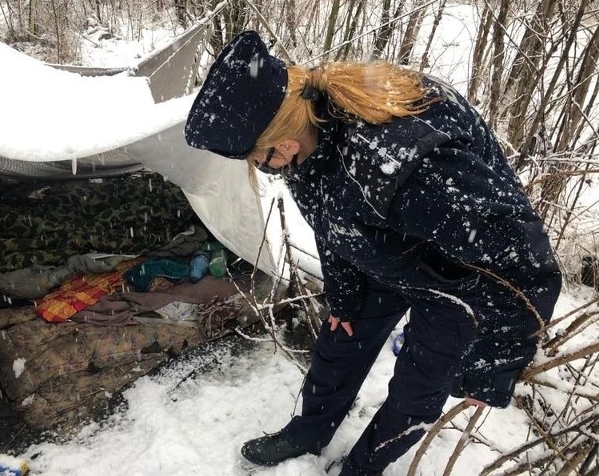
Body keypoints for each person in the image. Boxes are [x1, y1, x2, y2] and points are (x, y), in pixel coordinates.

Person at [184, 30, 561, 476]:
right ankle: (307, 433)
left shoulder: (400, 162)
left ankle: (362, 468)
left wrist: (494, 365)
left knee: (415, 392)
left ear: (282, 144)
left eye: (255, 157)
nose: (258, 166)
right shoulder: (309, 132)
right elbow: (333, 219)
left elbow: (524, 259)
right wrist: (342, 295)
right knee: (337, 346)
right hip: (385, 252)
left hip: (459, 283)